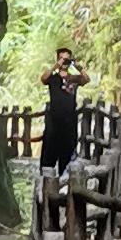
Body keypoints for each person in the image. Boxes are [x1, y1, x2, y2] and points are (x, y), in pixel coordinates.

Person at [39, 43, 85, 174]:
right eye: (62, 58)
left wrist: (77, 67)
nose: (64, 62)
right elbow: (43, 78)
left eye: (67, 59)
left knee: (68, 151)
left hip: (69, 120)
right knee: (49, 150)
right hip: (54, 120)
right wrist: (56, 65)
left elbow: (86, 79)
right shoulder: (53, 78)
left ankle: (65, 179)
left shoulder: (74, 78)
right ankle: (46, 177)